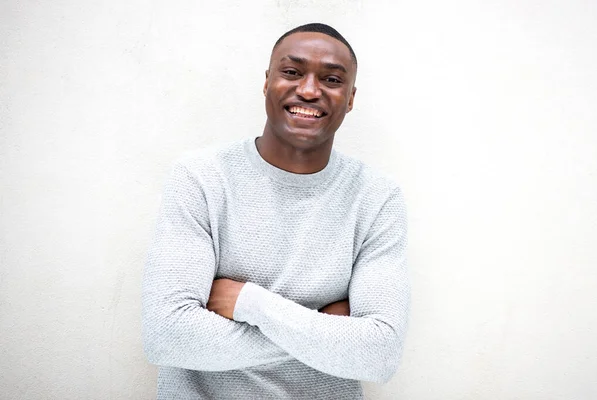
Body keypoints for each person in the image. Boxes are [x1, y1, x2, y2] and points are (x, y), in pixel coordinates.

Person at [142, 22, 410, 399]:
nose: (309, 89)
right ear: (267, 81)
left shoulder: (376, 197)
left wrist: (250, 304)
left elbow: (380, 355)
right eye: (292, 72)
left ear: (350, 98)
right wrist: (323, 330)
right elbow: (166, 336)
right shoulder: (202, 178)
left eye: (332, 79)